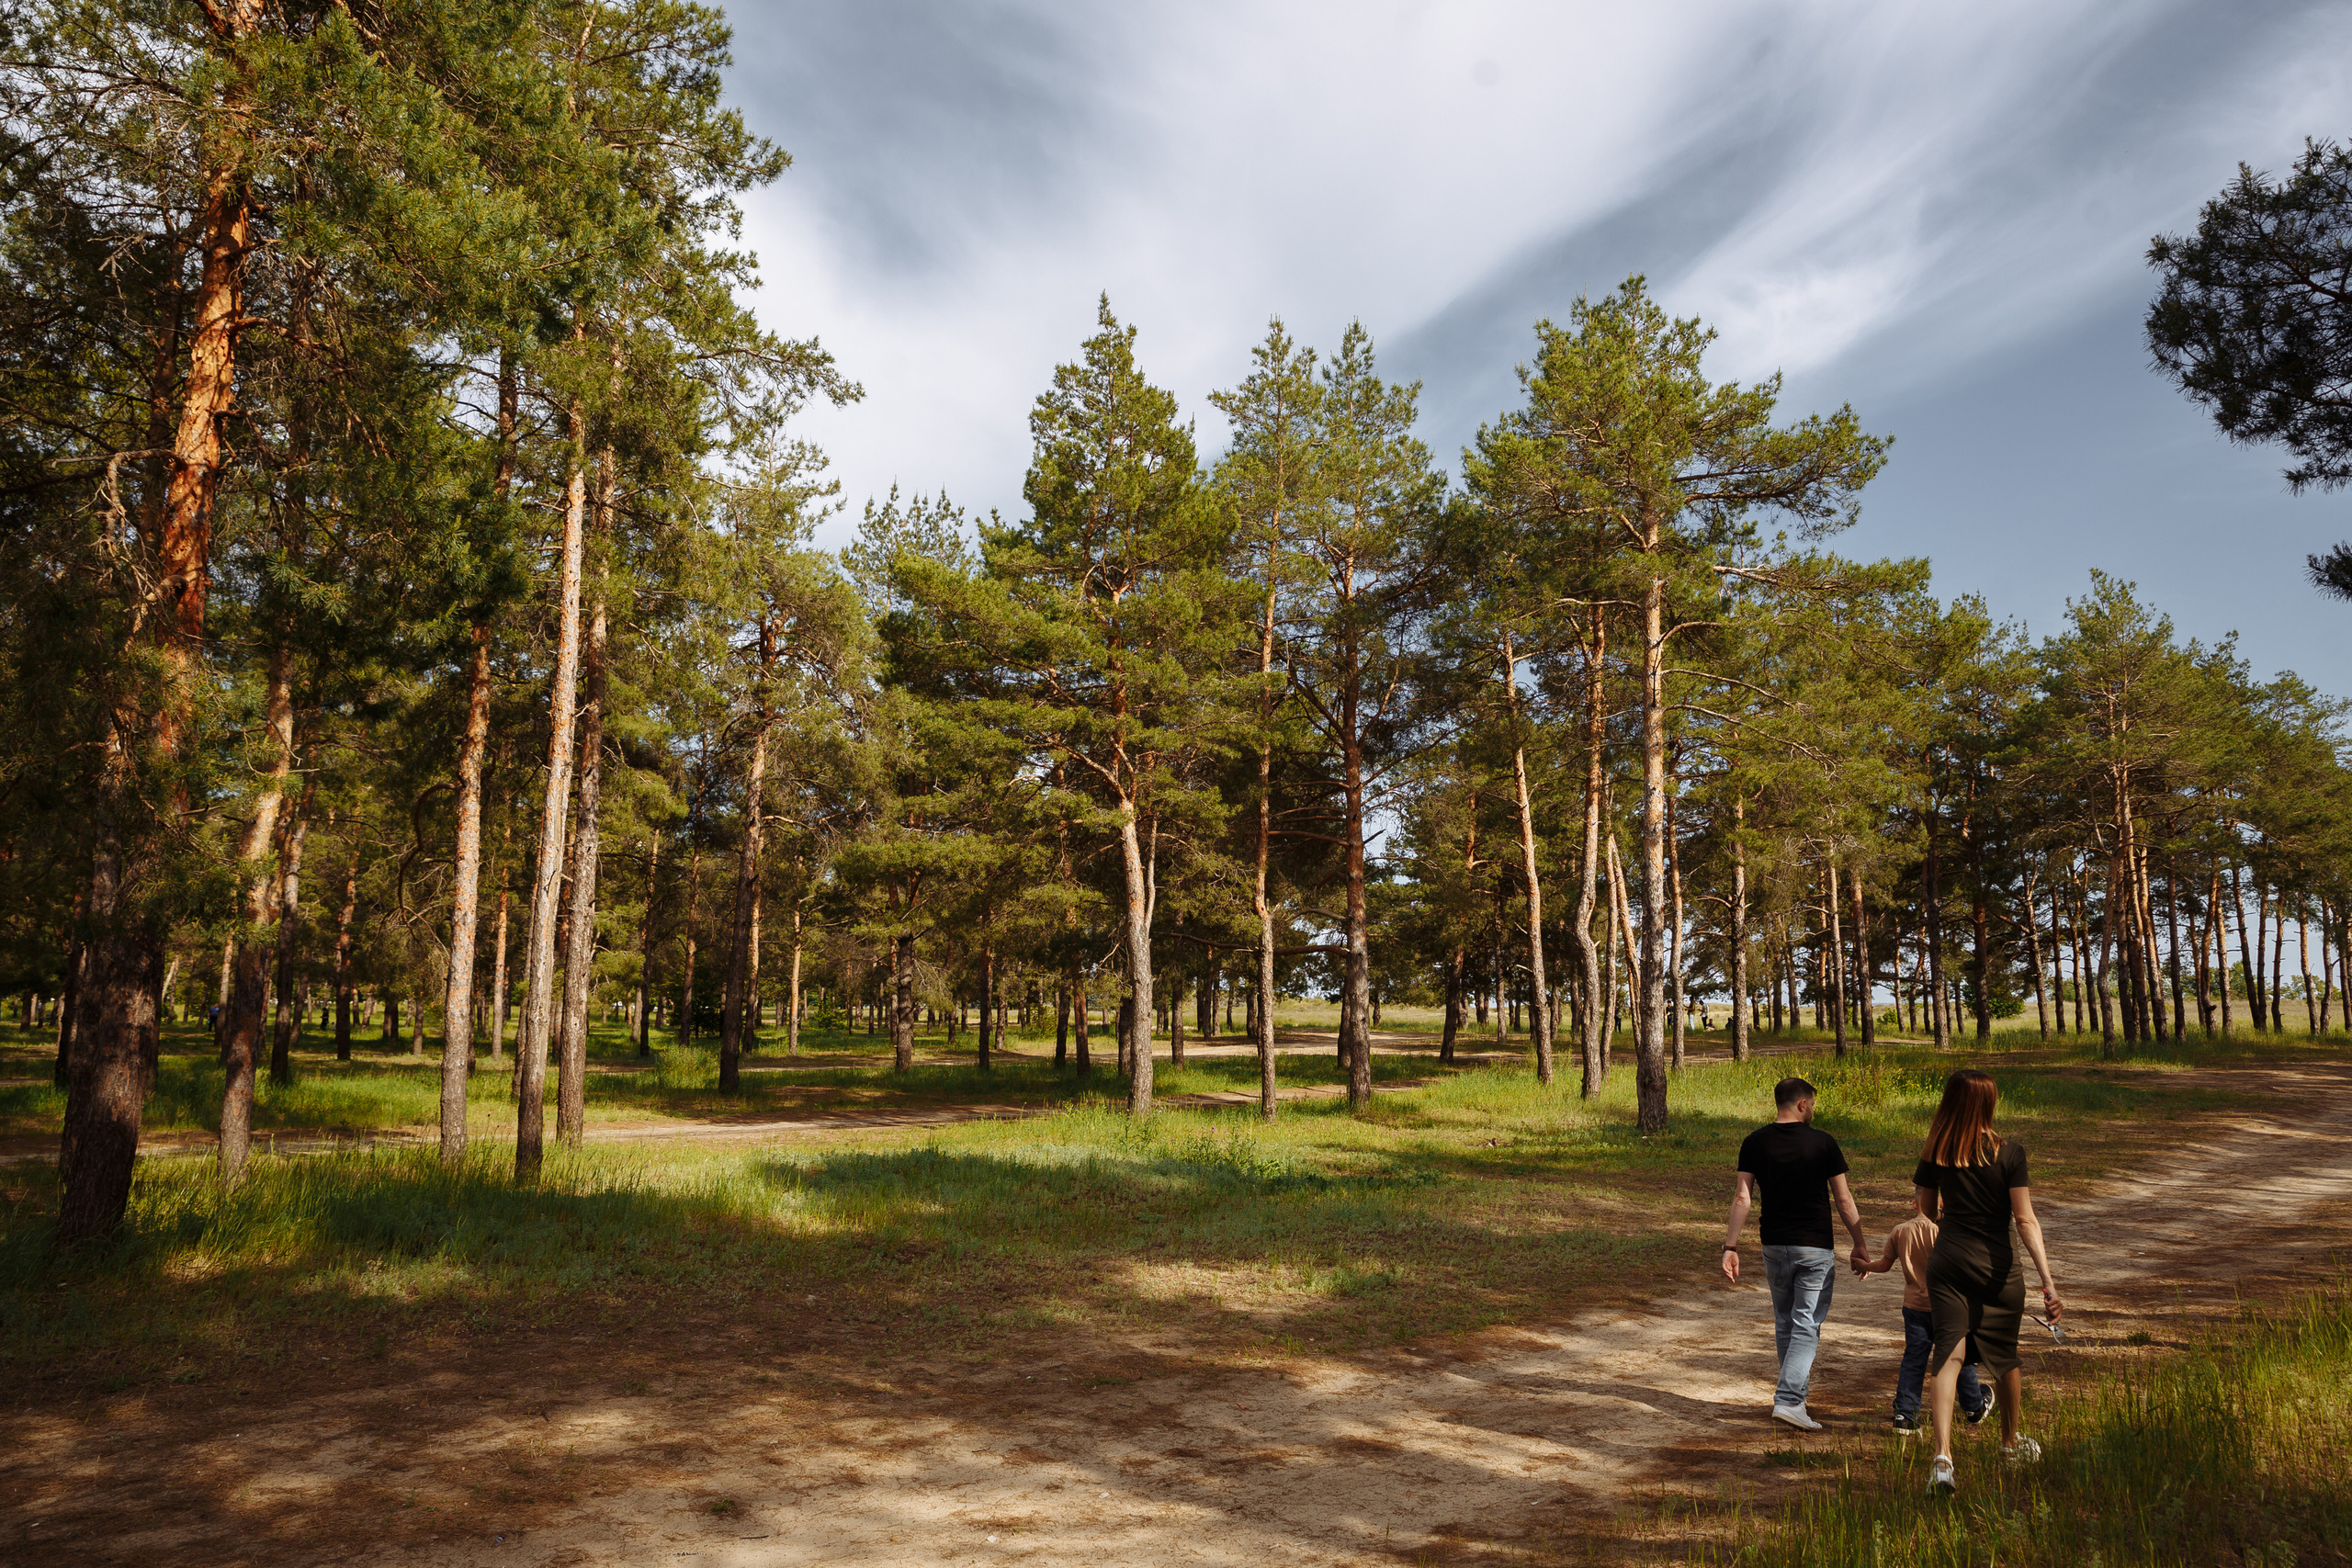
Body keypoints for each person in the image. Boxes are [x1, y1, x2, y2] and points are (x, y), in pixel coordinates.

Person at [1913, 1068, 2062, 1496]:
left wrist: (1952, 1223)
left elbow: (1925, 1208)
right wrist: (2049, 1284)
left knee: (1949, 1353)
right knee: (2004, 1356)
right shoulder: (2010, 1153)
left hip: (1949, 1263)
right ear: (1989, 1103)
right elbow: (2025, 1219)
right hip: (1998, 1268)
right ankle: (2010, 1444)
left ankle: (1942, 1458)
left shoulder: (1935, 1152)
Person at [1722, 1076, 1871, 1430]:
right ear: (1802, 1104)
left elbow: (1743, 1197)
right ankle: (1788, 1400)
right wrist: (1860, 1242)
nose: (1813, 1111)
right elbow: (1844, 1199)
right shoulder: (1823, 1143)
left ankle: (1796, 1399)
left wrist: (1730, 1245)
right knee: (1806, 1323)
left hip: (1774, 1246)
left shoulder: (1754, 1142)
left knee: (1787, 1321)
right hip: (1814, 1247)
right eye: (1813, 1105)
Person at [1855, 1201, 1994, 1435]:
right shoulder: (1945, 1229)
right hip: (1946, 1306)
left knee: (1914, 1358)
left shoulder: (1900, 1230)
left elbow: (1885, 1265)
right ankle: (1973, 1405)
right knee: (1957, 1356)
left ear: (1913, 1204)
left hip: (1913, 1307)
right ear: (1941, 1203)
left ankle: (1905, 1415)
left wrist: (1864, 1265)